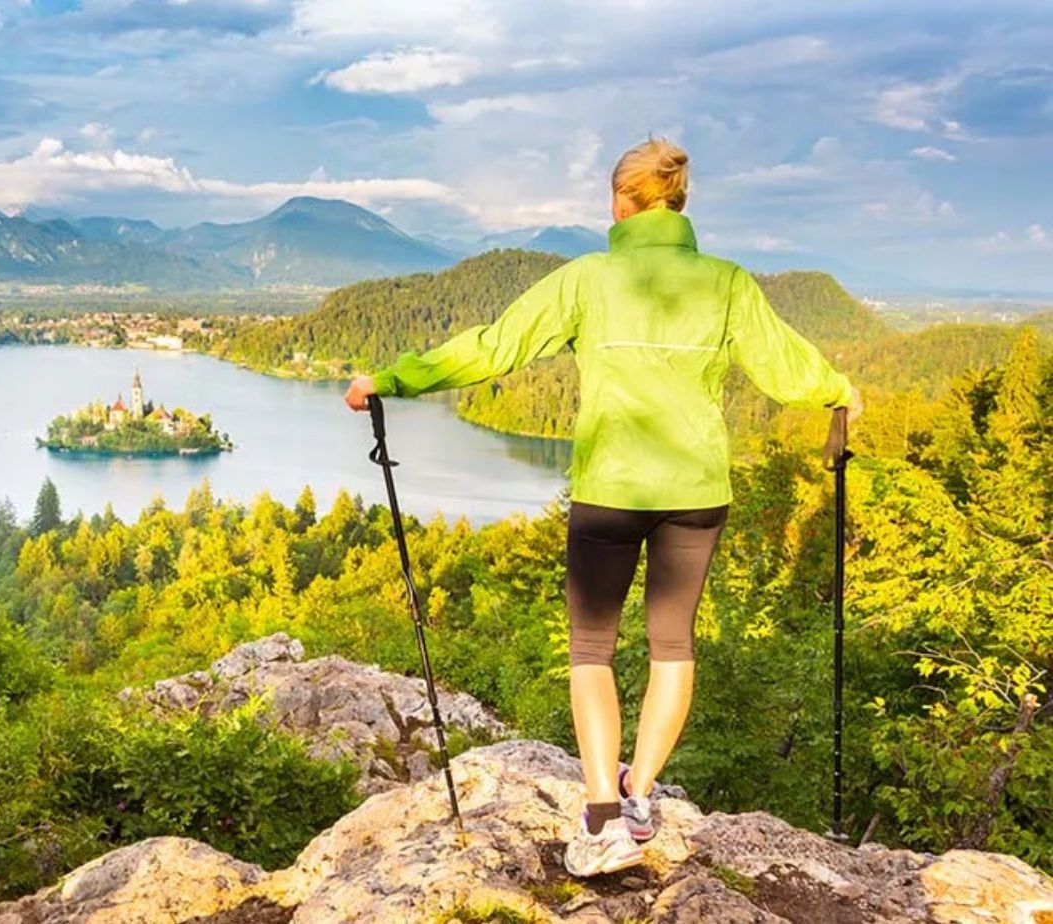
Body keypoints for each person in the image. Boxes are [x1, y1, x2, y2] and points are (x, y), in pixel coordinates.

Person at [344, 137, 863, 878]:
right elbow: (788, 369)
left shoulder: (588, 279)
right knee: (671, 646)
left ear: (619, 202)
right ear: (680, 202)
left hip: (610, 492)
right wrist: (840, 389)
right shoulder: (726, 283)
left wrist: (389, 379)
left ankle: (600, 816)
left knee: (593, 649)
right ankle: (640, 794)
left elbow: (494, 348)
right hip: (695, 492)